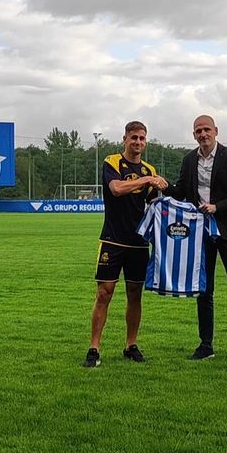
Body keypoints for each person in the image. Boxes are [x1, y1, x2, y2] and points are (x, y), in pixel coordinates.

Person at [164, 115, 227, 362]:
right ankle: (206, 345)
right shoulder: (189, 159)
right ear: (194, 135)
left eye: (206, 129)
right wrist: (161, 186)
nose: (202, 134)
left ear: (216, 131)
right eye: (198, 131)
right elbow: (180, 192)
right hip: (201, 235)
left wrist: (218, 207)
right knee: (204, 291)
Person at [84, 121, 168, 368]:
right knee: (104, 293)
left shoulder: (149, 168)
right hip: (112, 239)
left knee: (135, 294)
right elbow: (117, 188)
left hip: (138, 242)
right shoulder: (112, 162)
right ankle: (94, 348)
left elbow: (154, 205)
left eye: (142, 138)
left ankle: (131, 345)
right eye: (134, 137)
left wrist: (164, 190)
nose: (138, 142)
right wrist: (147, 181)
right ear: (125, 139)